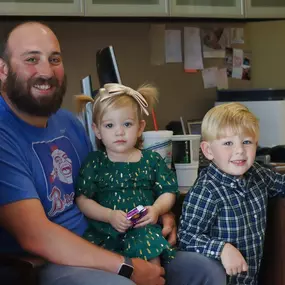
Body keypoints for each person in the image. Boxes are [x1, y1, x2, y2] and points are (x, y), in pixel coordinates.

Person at [0, 20, 226, 285]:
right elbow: (35, 235)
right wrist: (126, 267)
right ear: (3, 70)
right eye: (31, 59)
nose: (46, 71)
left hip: (112, 238)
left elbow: (104, 184)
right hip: (52, 261)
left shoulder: (68, 123)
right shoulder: (4, 135)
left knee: (205, 270)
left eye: (54, 59)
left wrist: (157, 211)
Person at [178, 102, 285, 284]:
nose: (239, 151)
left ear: (256, 145)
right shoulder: (207, 190)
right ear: (208, 150)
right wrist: (222, 248)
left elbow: (281, 184)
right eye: (228, 143)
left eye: (247, 142)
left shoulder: (257, 173)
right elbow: (186, 238)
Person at [75, 83, 178, 266]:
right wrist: (109, 215)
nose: (119, 131)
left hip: (143, 230)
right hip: (105, 231)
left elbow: (168, 191)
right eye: (109, 125)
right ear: (97, 130)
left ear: (140, 127)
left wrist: (157, 209)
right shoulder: (95, 162)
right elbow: (82, 200)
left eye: (127, 124)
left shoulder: (151, 160)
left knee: (151, 258)